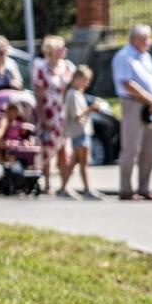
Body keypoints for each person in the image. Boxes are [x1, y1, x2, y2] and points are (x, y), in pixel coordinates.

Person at [112, 24, 152, 199]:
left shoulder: (146, 57)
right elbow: (126, 83)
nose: (150, 41)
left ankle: (144, 187)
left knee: (149, 149)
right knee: (131, 147)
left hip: (149, 106)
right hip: (133, 104)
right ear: (136, 39)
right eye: (146, 38)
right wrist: (150, 99)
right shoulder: (124, 56)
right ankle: (126, 189)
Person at [33, 35, 74, 188]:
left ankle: (64, 185)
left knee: (64, 148)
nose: (64, 51)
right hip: (49, 111)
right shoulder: (42, 68)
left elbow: (72, 88)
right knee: (48, 149)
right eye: (60, 48)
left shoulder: (67, 67)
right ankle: (48, 184)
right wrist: (43, 118)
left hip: (63, 112)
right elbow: (38, 94)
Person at [58, 65, 101, 199]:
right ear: (76, 79)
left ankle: (63, 188)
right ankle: (87, 189)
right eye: (85, 80)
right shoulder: (73, 94)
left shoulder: (76, 93)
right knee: (84, 163)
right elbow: (76, 115)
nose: (86, 83)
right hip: (79, 132)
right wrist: (91, 109)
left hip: (80, 132)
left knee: (74, 163)